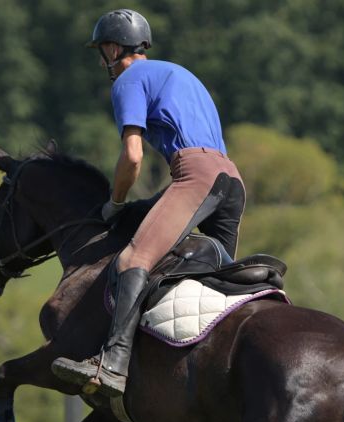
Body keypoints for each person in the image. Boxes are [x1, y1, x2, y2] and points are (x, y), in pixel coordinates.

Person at [52, 8, 246, 398]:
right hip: (233, 181)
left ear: (111, 48)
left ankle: (113, 365)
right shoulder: (181, 74)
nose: (102, 59)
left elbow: (133, 156)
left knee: (132, 260)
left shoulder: (127, 80)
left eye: (102, 51)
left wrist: (116, 202)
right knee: (213, 282)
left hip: (197, 175)